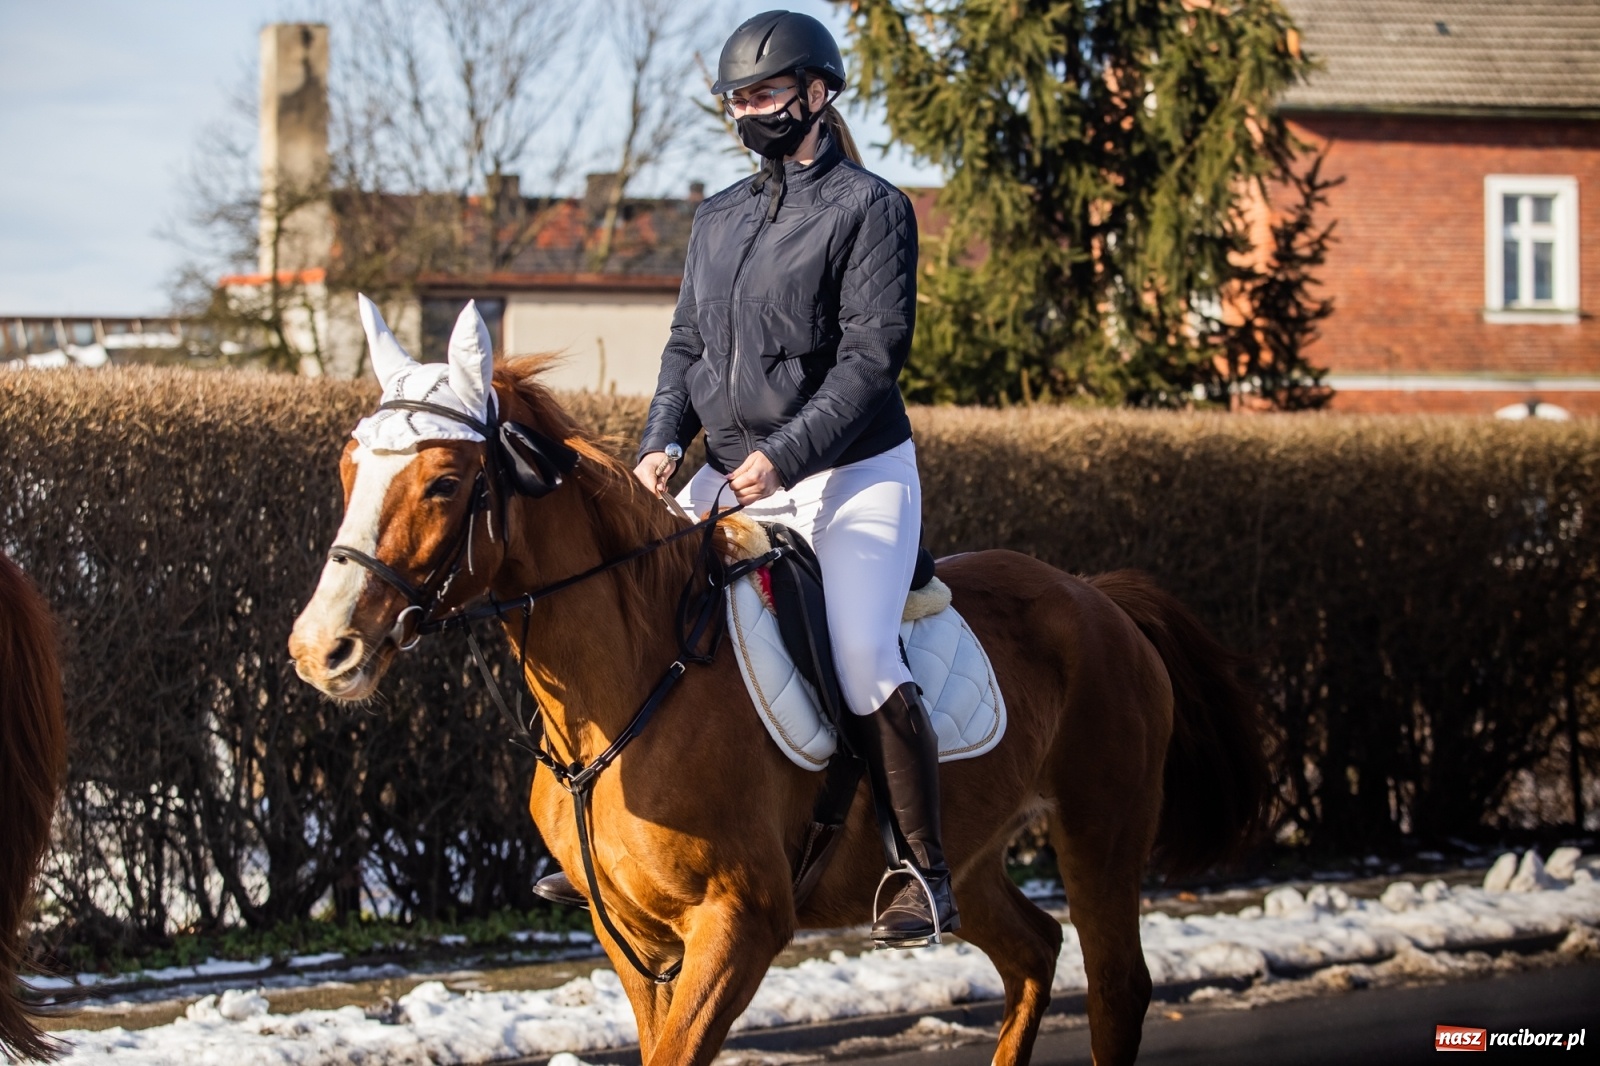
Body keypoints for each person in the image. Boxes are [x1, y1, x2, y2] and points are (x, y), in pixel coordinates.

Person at [536, 9, 956, 948]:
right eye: (735, 100)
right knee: (622, 599)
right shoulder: (718, 214)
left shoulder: (872, 207)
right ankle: (601, 831)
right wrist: (658, 445)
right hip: (730, 472)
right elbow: (688, 343)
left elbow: (870, 359)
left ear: (816, 96)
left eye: (764, 95)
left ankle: (920, 868)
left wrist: (784, 457)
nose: (745, 113)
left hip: (848, 472)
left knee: (860, 655)